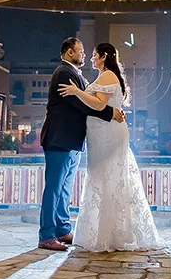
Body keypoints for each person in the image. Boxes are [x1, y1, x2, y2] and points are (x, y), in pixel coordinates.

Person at [59, 42, 163, 252]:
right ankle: (107, 232)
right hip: (101, 134)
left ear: (104, 57)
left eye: (94, 55)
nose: (91, 58)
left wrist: (75, 91)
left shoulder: (107, 76)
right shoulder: (104, 76)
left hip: (108, 134)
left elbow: (98, 105)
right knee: (103, 179)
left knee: (108, 178)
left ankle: (111, 234)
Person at [38, 37, 126, 251]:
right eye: (81, 51)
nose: (85, 55)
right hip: (60, 138)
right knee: (54, 188)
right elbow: (80, 104)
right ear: (69, 52)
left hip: (72, 139)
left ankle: (62, 229)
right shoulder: (63, 73)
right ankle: (47, 235)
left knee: (65, 188)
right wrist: (110, 112)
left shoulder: (75, 74)